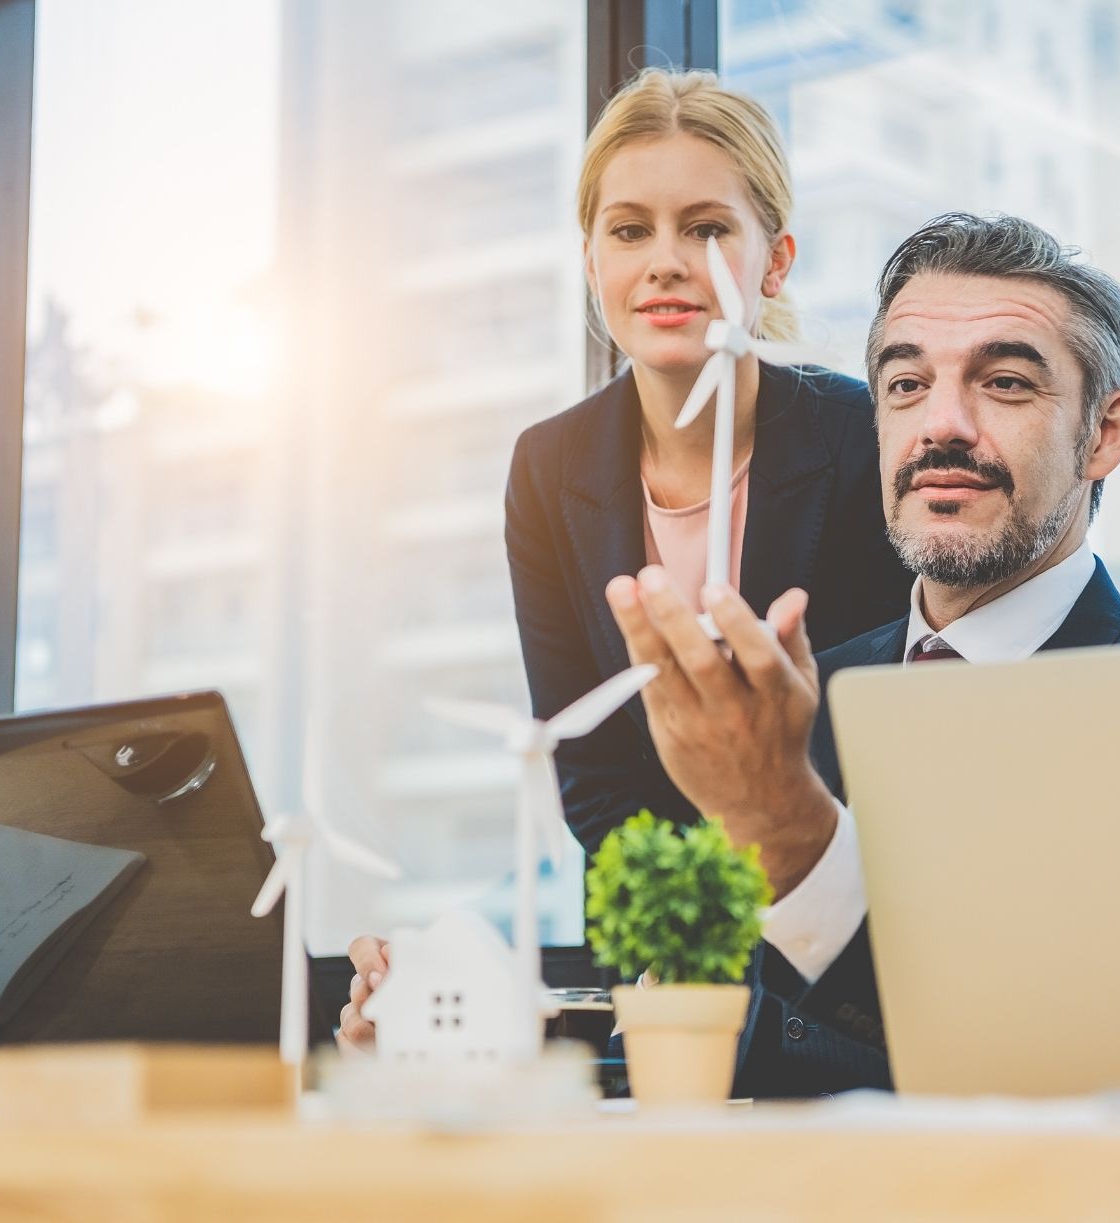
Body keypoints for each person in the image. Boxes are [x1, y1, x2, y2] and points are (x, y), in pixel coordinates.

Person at [336, 69, 909, 1053]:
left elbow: (876, 739)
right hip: (663, 969)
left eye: (708, 228)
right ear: (591, 259)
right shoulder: (548, 468)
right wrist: (675, 936)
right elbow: (589, 770)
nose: (667, 263)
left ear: (776, 262)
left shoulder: (865, 440)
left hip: (851, 968)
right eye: (630, 229)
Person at [605, 213, 1120, 1094]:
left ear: (1104, 433)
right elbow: (730, 1037)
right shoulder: (801, 697)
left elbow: (1056, 1068)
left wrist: (792, 835)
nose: (942, 425)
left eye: (1006, 382)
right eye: (905, 384)